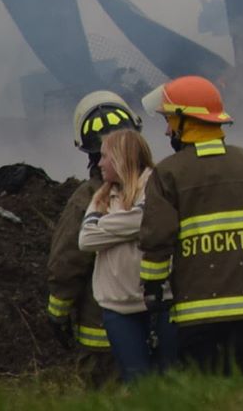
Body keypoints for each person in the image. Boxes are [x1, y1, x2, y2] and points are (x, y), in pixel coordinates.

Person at [137, 75, 243, 378]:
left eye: (169, 121)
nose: (167, 129)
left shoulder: (168, 173)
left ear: (185, 121)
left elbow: (156, 241)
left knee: (207, 398)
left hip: (195, 314)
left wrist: (153, 292)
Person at [46, 90, 142, 378]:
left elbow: (66, 262)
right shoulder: (158, 187)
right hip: (156, 324)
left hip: (101, 334)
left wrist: (57, 313)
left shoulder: (87, 199)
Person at [79, 127, 177, 380]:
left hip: (161, 303)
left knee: (171, 380)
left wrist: (108, 226)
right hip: (117, 309)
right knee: (137, 383)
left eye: (104, 156)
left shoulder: (156, 185)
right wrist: (131, 225)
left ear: (122, 158)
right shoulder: (102, 195)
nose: (98, 163)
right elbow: (86, 239)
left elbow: (147, 218)